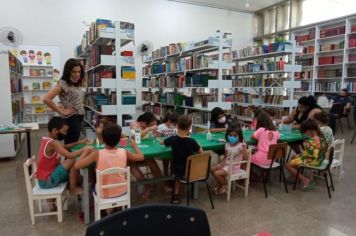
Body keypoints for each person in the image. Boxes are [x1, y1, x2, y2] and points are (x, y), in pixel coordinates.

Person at [74, 123, 144, 216]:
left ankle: (107, 211)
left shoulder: (97, 154)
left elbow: (77, 165)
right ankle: (112, 209)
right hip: (121, 191)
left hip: (104, 193)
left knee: (93, 183)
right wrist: (135, 146)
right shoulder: (124, 152)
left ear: (102, 139)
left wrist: (85, 151)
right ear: (119, 140)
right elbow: (141, 157)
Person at [36, 117, 90, 195]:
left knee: (79, 178)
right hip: (47, 180)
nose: (65, 134)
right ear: (55, 130)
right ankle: (72, 189)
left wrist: (79, 142)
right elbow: (70, 155)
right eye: (64, 131)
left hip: (44, 179)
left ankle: (72, 187)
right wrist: (85, 149)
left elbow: (64, 147)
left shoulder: (47, 140)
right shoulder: (52, 143)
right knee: (73, 160)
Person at [43, 58, 85, 145]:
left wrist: (61, 104)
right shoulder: (63, 83)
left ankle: (70, 158)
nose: (77, 74)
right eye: (74, 72)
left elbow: (69, 98)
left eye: (79, 72)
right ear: (68, 71)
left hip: (78, 118)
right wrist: (60, 111)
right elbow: (46, 99)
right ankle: (69, 158)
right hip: (72, 119)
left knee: (72, 145)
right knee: (71, 147)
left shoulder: (75, 83)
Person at [129, 112, 171, 199]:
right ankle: (146, 186)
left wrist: (165, 134)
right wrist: (150, 128)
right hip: (135, 152)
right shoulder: (134, 124)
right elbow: (137, 136)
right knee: (131, 164)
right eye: (151, 124)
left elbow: (157, 135)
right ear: (144, 123)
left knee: (151, 160)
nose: (153, 125)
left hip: (146, 151)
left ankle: (162, 184)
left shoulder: (149, 126)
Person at [163, 115, 203, 204]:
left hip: (177, 170)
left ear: (177, 126)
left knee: (178, 178)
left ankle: (175, 196)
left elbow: (164, 142)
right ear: (189, 128)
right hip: (191, 170)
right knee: (185, 168)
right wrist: (199, 144)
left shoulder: (172, 139)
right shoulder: (192, 141)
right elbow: (200, 152)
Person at [285, 119, 328, 190]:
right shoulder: (322, 138)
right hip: (320, 159)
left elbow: (307, 155)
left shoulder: (310, 141)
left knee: (287, 164)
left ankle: (304, 179)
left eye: (305, 132)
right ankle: (293, 177)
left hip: (312, 161)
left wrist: (304, 147)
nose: (305, 134)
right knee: (293, 156)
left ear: (309, 130)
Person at [211, 125, 248, 195]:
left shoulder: (241, 145)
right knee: (212, 169)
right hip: (226, 164)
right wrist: (220, 164)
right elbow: (225, 156)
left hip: (233, 167)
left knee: (217, 173)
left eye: (235, 136)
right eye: (230, 135)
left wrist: (244, 149)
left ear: (239, 136)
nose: (232, 137)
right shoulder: (227, 144)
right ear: (227, 135)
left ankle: (225, 184)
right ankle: (221, 183)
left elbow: (246, 158)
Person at [157, 111, 180, 176]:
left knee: (173, 161)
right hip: (164, 147)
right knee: (166, 160)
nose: (175, 125)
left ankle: (172, 175)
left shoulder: (176, 127)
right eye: (174, 123)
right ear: (169, 121)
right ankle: (166, 174)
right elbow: (157, 138)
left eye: (176, 124)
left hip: (174, 148)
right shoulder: (161, 127)